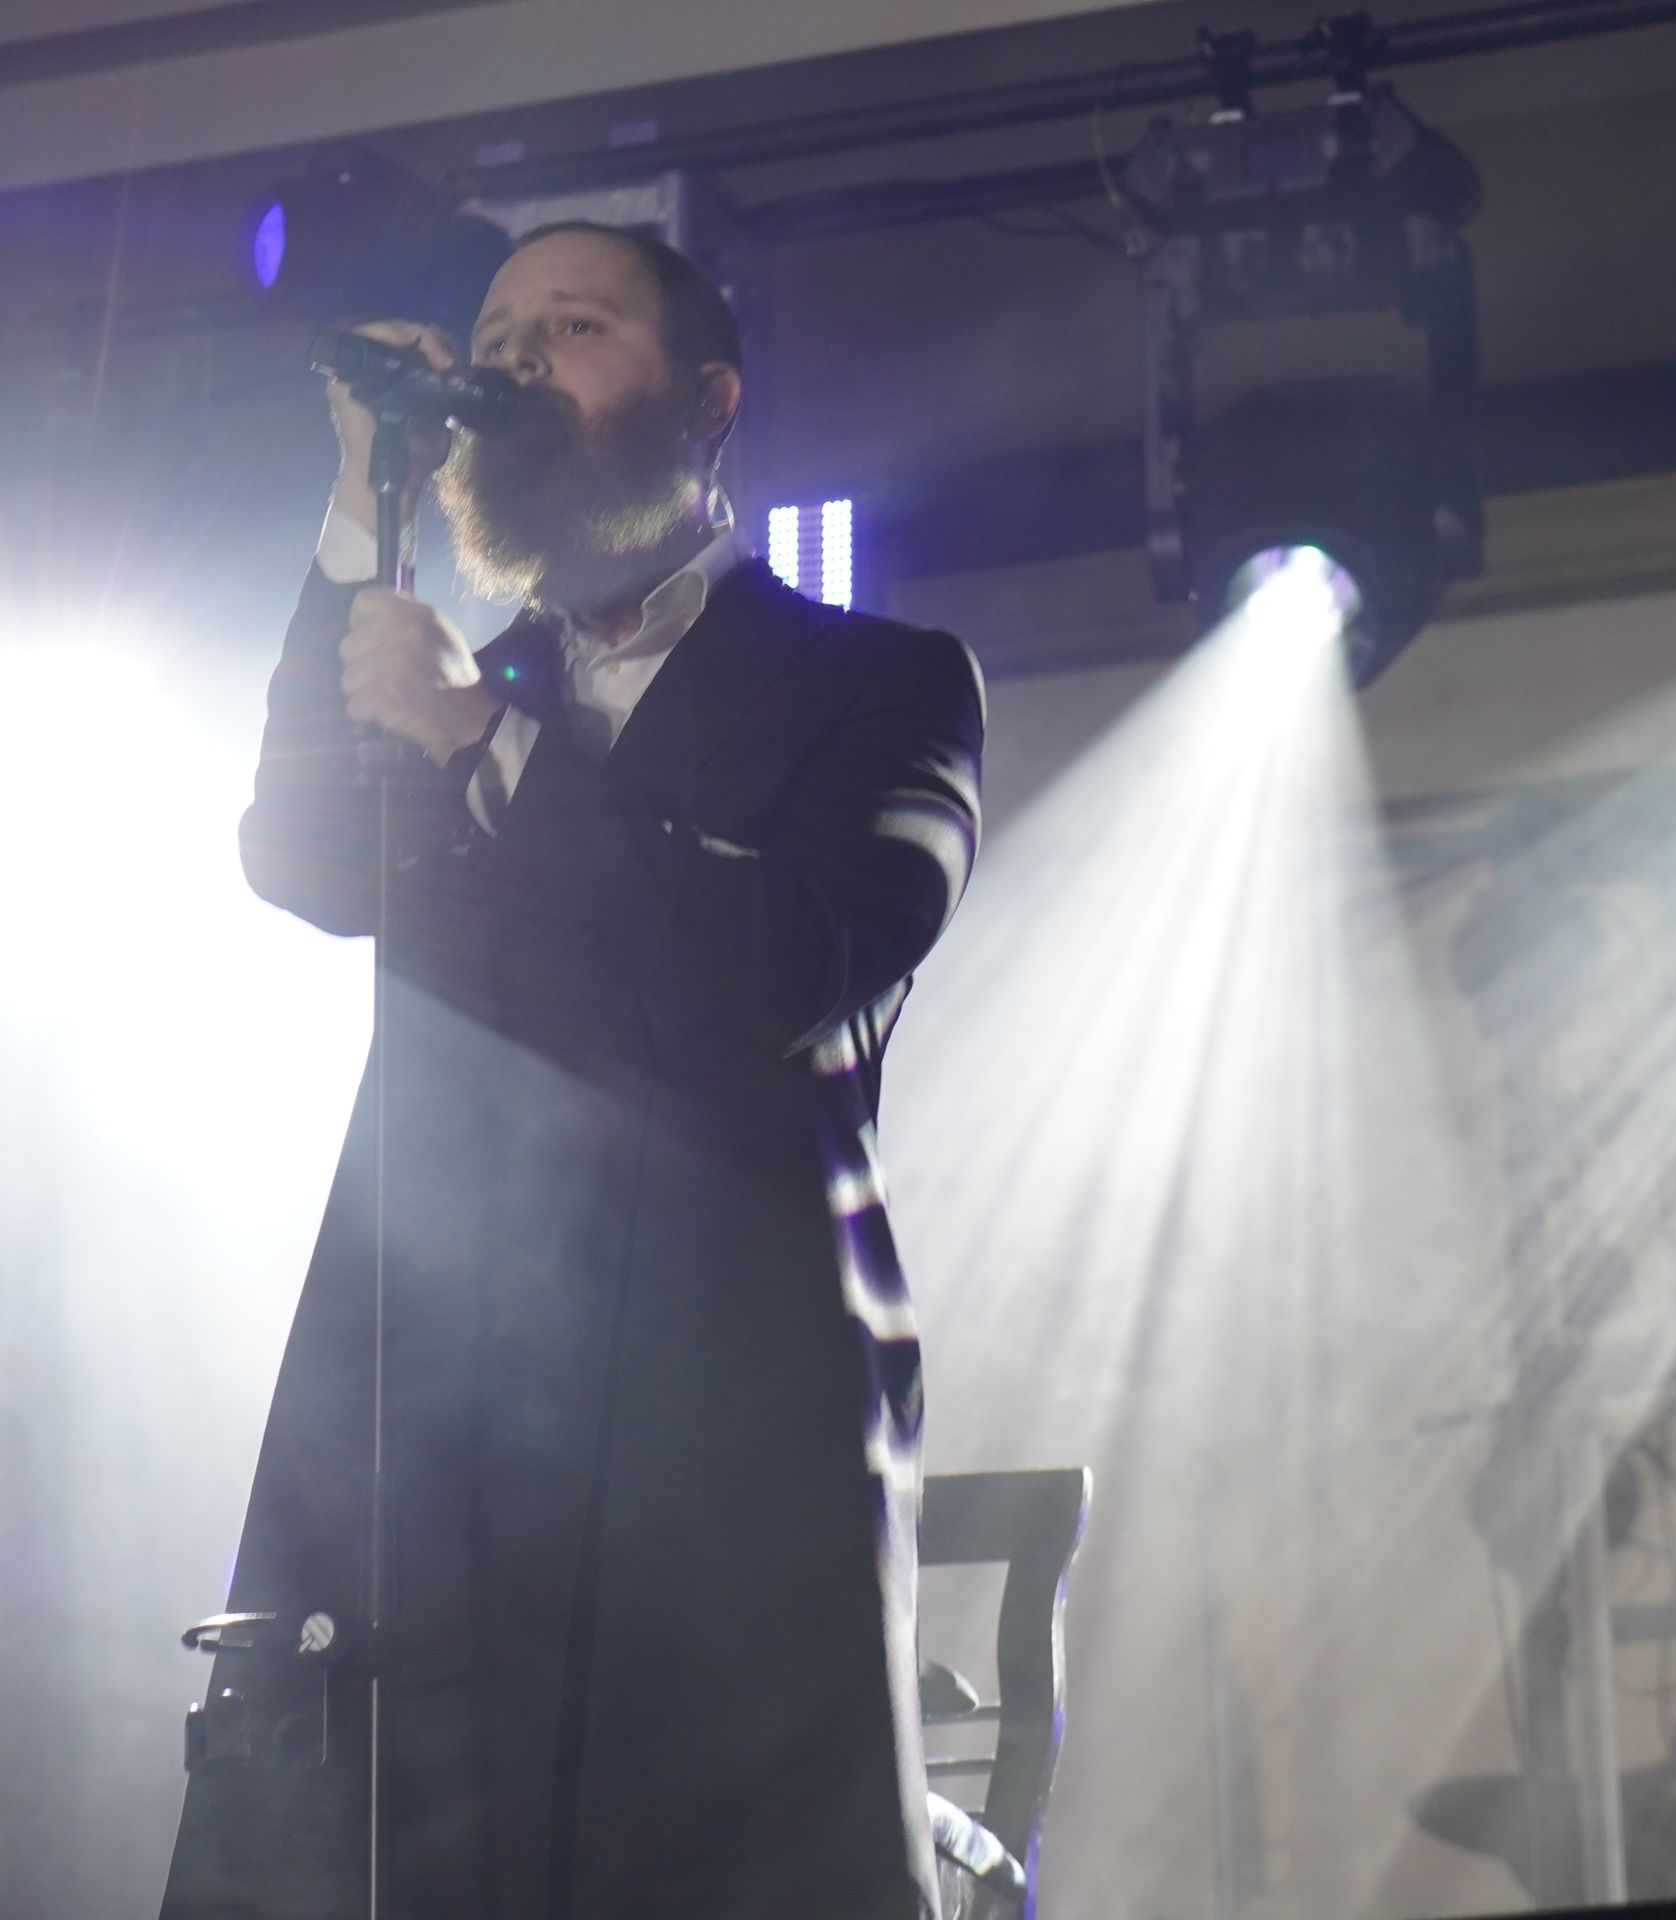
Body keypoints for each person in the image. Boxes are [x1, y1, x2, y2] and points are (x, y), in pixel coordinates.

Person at [160, 223, 984, 1920]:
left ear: (706, 401)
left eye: (576, 327)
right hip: (436, 1399)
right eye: (499, 334)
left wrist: (484, 739)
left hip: (719, 1404)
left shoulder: (881, 683)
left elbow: (796, 961)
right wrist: (357, 500)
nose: (520, 360)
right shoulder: (468, 674)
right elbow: (298, 853)